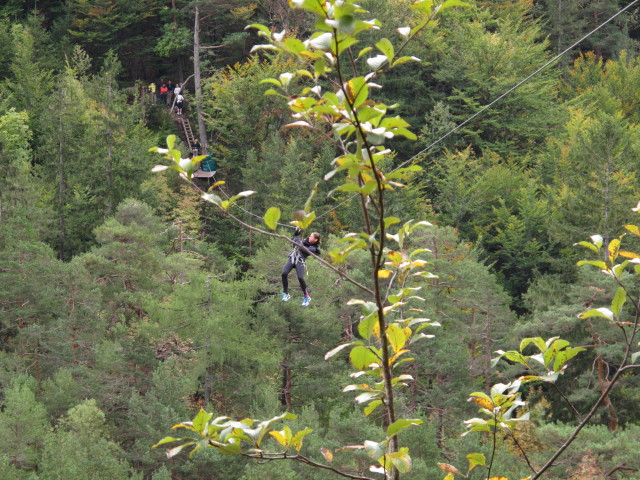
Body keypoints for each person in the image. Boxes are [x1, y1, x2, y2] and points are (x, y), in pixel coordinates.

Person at [281, 228, 321, 307]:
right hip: (292, 258)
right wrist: (296, 233)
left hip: (300, 261)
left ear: (315, 240)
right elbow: (294, 244)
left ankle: (306, 296)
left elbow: (301, 248)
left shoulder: (313, 248)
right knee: (284, 273)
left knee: (300, 278)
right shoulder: (303, 241)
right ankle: (285, 293)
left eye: (312, 237)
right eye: (310, 236)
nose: (309, 237)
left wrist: (297, 238)